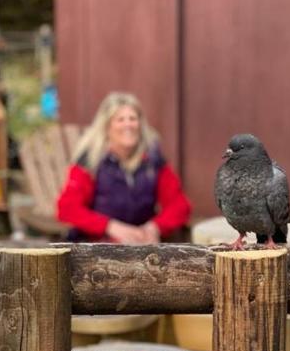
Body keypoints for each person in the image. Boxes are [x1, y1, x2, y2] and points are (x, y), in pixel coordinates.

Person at [56, 92, 191, 244]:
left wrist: (154, 228)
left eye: (133, 118)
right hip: (96, 244)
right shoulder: (90, 161)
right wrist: (111, 227)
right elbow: (67, 208)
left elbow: (180, 205)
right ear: (107, 126)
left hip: (141, 242)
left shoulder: (152, 160)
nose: (128, 125)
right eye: (120, 119)